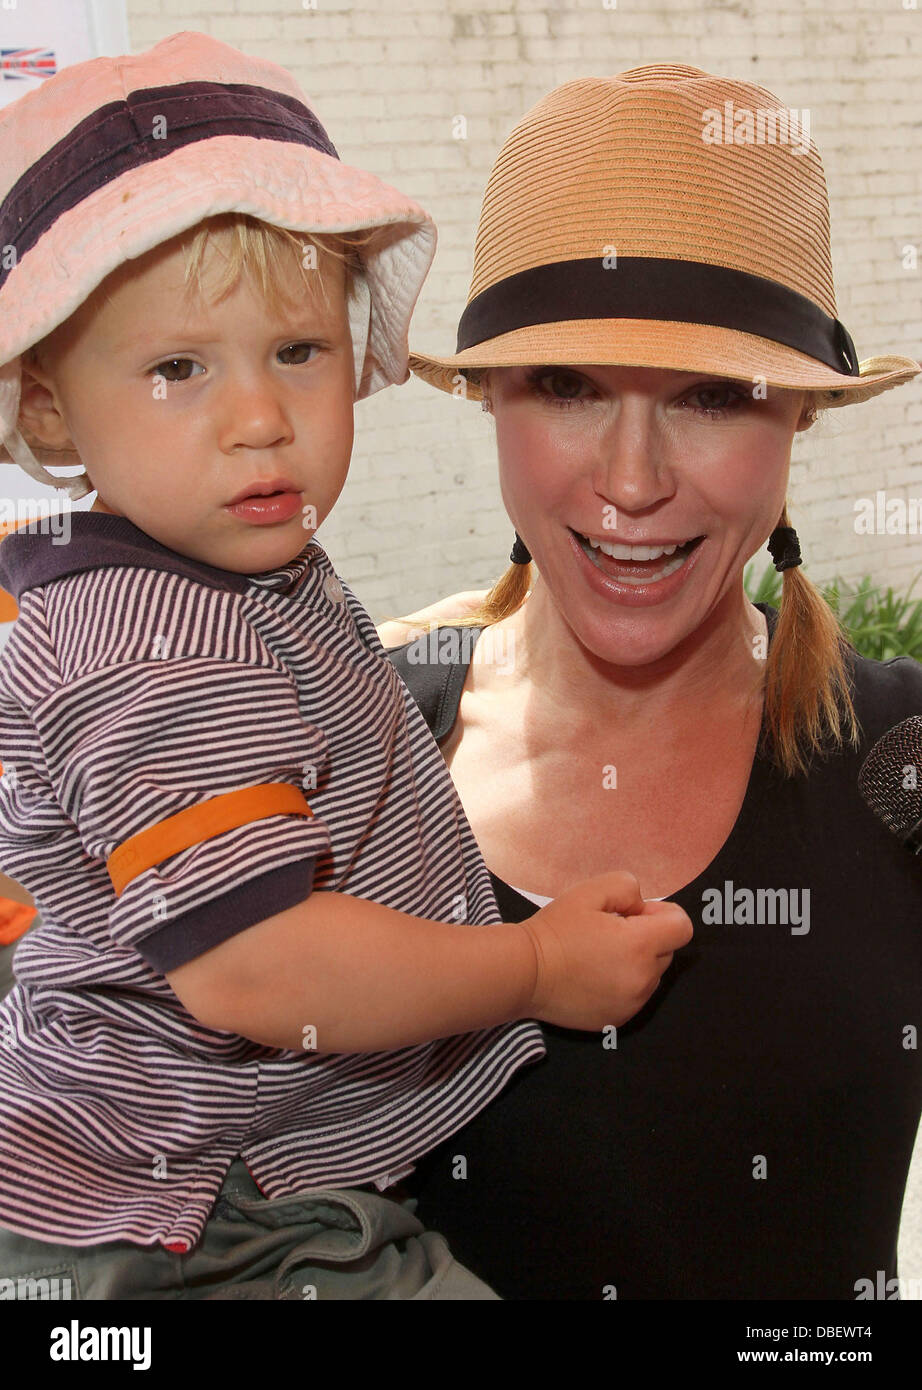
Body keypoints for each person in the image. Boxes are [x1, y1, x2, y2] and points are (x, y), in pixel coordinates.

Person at [0, 34, 693, 1301]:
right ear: (48, 407)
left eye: (298, 352)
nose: (258, 416)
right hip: (181, 1217)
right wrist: (532, 969)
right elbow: (256, 962)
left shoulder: (214, 577)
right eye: (177, 368)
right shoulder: (161, 640)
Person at [380, 64, 922, 1299]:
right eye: (567, 387)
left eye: (712, 396)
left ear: (799, 420)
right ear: (488, 401)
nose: (630, 482)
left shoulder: (902, 759)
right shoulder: (362, 742)